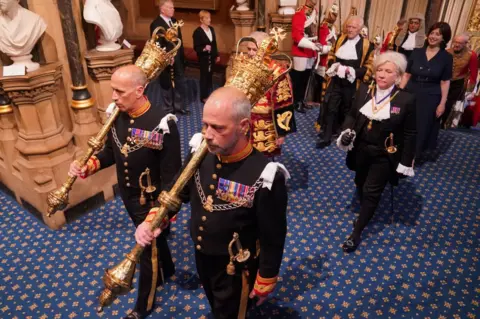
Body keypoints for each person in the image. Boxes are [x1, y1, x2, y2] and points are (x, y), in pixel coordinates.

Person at [135, 86, 290, 318]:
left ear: (244, 126)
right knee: (215, 304)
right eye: (205, 124)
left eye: (218, 128)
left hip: (237, 268)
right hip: (202, 255)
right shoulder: (202, 152)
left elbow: (273, 235)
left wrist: (266, 277)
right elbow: (178, 191)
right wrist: (153, 221)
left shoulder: (266, 175)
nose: (208, 134)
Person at [68, 65, 182, 319]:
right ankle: (168, 270)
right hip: (129, 197)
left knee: (144, 251)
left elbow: (172, 177)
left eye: (119, 91)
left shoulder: (162, 123)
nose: (113, 97)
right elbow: (112, 152)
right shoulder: (116, 115)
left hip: (151, 202)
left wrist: (159, 214)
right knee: (153, 245)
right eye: (113, 90)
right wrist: (89, 165)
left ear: (140, 90)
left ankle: (143, 305)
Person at [337, 51, 416, 252]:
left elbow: (410, 134)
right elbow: (352, 115)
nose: (381, 74)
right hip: (361, 149)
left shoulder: (406, 100)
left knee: (372, 192)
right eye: (379, 69)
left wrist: (406, 162)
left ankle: (356, 233)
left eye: (388, 71)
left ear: (397, 77)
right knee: (361, 183)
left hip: (384, 155)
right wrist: (346, 132)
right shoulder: (364, 90)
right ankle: (365, 208)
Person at [315, 15, 374, 149]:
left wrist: (352, 71)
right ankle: (327, 136)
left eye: (353, 27)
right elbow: (331, 55)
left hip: (353, 83)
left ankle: (343, 136)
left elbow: (369, 66)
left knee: (348, 110)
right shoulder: (340, 39)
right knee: (331, 107)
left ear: (360, 29)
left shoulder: (367, 45)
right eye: (348, 26)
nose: (350, 29)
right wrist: (334, 65)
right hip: (336, 81)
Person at [400, 22, 452, 159]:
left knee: (421, 126)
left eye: (438, 34)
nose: (433, 36)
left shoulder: (446, 57)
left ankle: (413, 157)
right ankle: (399, 152)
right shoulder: (416, 52)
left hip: (430, 96)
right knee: (405, 122)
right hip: (411, 92)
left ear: (444, 39)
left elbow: (445, 81)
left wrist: (442, 103)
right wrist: (398, 92)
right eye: (432, 33)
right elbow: (407, 74)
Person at [246, 31, 296, 157]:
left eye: (254, 50)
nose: (250, 53)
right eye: (248, 49)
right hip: (243, 121)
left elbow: (284, 102)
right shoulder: (244, 66)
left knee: (262, 161)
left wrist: (281, 132)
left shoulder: (277, 72)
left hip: (266, 125)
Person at [150, 0, 189, 115]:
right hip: (165, 60)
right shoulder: (156, 24)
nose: (173, 9)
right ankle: (168, 109)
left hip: (178, 59)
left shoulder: (174, 21)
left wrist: (181, 57)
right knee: (166, 84)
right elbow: (157, 45)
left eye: (173, 8)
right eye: (170, 8)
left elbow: (179, 40)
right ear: (162, 9)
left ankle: (178, 106)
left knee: (179, 82)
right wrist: (167, 57)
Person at [290, 0, 322, 113]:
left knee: (306, 78)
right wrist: (312, 46)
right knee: (298, 79)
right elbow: (296, 36)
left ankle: (302, 100)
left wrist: (316, 46)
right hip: (301, 50)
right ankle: (296, 102)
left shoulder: (315, 12)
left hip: (310, 50)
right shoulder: (300, 13)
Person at [443, 34, 478, 128]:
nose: (456, 45)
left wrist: (470, 90)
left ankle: (443, 123)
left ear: (465, 44)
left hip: (458, 83)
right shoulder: (447, 52)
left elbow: (473, 73)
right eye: (455, 42)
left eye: (460, 43)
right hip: (444, 81)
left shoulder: (472, 55)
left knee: (449, 104)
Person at [314, 2, 338, 133]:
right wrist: (333, 48)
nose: (334, 15)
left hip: (332, 61)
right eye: (332, 12)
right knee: (322, 88)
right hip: (323, 60)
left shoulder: (333, 28)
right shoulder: (323, 27)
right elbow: (322, 46)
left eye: (336, 13)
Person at [193, 10, 219, 103]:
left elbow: (214, 43)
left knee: (210, 76)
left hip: (211, 58)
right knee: (204, 77)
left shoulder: (211, 29)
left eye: (210, 18)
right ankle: (203, 97)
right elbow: (196, 47)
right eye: (207, 18)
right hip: (203, 59)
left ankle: (209, 94)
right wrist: (204, 48)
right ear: (201, 20)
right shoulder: (197, 32)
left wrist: (217, 55)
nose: (209, 20)